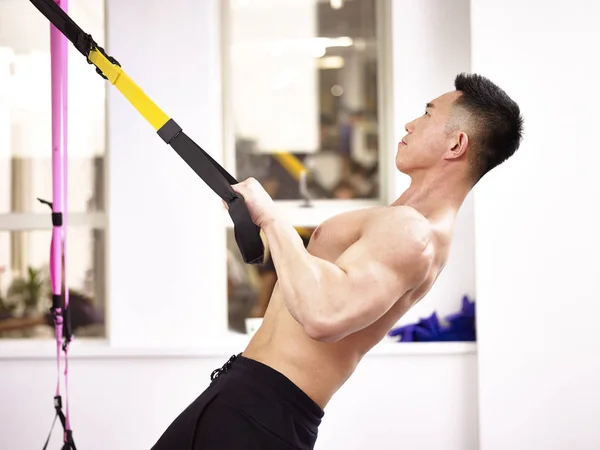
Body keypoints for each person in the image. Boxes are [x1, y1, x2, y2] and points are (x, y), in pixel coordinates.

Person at [151, 73, 524, 450]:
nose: (411, 123)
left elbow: (322, 315)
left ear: (457, 144)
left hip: (259, 412)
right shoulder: (405, 222)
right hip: (246, 396)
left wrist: (273, 219)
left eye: (427, 115)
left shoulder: (415, 232)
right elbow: (319, 287)